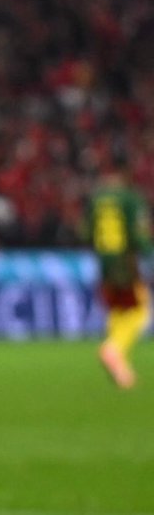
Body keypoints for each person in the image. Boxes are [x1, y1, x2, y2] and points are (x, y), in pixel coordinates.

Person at [86, 151, 152, 389]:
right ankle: (114, 349)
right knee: (141, 312)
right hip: (126, 263)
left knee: (118, 310)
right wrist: (147, 250)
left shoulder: (96, 199)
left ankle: (120, 362)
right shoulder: (131, 198)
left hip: (104, 263)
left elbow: (86, 232)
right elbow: (139, 235)